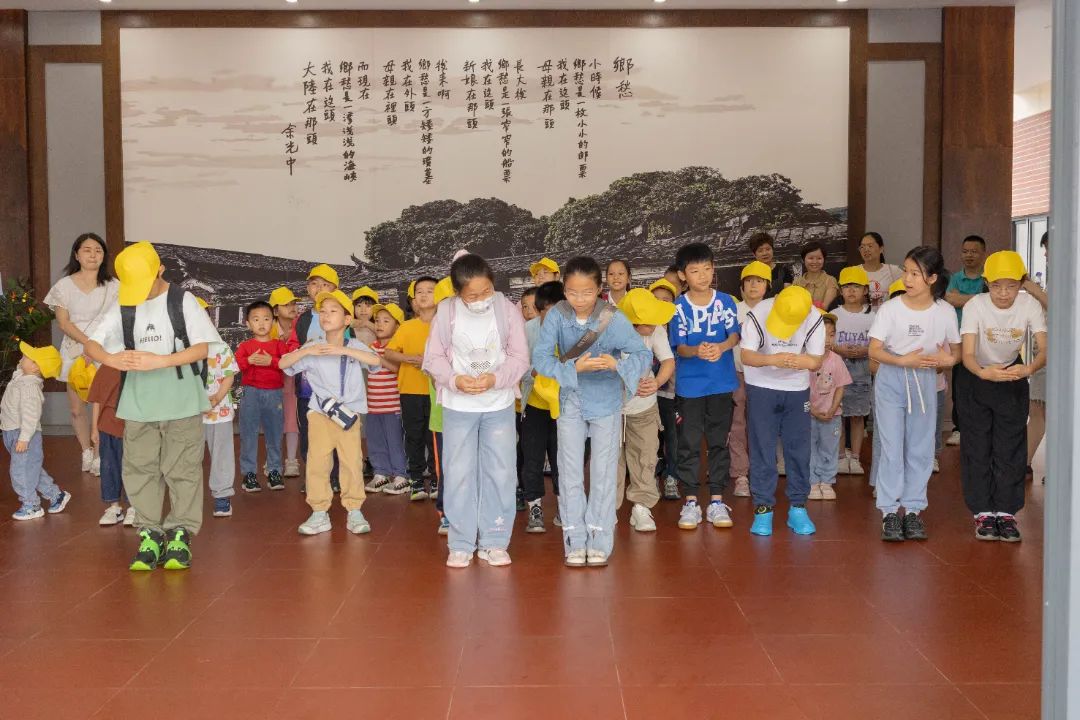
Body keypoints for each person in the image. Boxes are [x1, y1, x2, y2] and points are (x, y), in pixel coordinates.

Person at [85, 241, 220, 571]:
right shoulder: (124, 304)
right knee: (139, 467)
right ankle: (150, 533)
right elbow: (91, 344)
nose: (140, 292)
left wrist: (161, 361)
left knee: (183, 468)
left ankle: (180, 533)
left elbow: (203, 348)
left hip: (180, 398)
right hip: (138, 402)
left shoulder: (182, 301)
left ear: (160, 270)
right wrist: (112, 359)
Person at [533, 256, 650, 567]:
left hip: (606, 401)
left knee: (603, 472)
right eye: (572, 292)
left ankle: (599, 540)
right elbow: (541, 359)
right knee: (569, 471)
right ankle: (574, 540)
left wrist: (617, 364)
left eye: (586, 292)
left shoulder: (612, 317)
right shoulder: (557, 316)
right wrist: (574, 368)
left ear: (599, 289)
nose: (580, 299)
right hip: (571, 400)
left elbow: (642, 353)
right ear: (564, 290)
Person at [423, 254, 529, 568]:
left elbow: (520, 357)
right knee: (458, 473)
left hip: (498, 403)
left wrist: (497, 378)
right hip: (458, 406)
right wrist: (455, 380)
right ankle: (461, 542)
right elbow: (433, 358)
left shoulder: (506, 310)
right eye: (472, 296)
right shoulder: (446, 312)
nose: (481, 300)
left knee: (501, 471)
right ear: (458, 293)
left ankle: (495, 540)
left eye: (486, 291)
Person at [868, 246, 960, 542]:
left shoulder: (944, 311)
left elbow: (956, 353)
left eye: (915, 274)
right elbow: (874, 350)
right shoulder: (891, 309)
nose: (907, 279)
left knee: (921, 447)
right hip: (892, 377)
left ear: (932, 278)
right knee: (891, 446)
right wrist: (902, 360)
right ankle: (889, 512)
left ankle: (913, 510)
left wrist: (946, 360)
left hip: (924, 379)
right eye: (906, 272)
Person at [958, 251, 1047, 542]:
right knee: (978, 445)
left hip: (1012, 375)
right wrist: (983, 373)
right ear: (987, 283)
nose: (1004, 293)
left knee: (1010, 445)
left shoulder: (1029, 304)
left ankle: (1007, 512)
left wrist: (1029, 368)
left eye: (1011, 286)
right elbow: (967, 354)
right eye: (997, 286)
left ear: (1021, 283)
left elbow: (1044, 346)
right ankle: (983, 512)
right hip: (976, 376)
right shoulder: (975, 305)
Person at [280, 289, 381, 536]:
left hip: (348, 414)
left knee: (351, 461)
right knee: (317, 461)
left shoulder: (354, 345)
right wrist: (306, 351)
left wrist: (344, 351)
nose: (326, 315)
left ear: (347, 319)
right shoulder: (314, 346)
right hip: (320, 412)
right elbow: (283, 364)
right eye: (322, 311)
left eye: (333, 311)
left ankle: (354, 510)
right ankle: (319, 512)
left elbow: (375, 362)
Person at [740, 286, 824, 536]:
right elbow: (746, 355)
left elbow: (816, 360)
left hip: (796, 389)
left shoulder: (814, 317)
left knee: (799, 448)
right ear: (776, 299)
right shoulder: (759, 312)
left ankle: (798, 507)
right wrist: (772, 360)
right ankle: (763, 508)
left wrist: (800, 361)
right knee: (762, 447)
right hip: (761, 386)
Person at [669, 242, 741, 530]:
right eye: (695, 270)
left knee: (718, 441)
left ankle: (717, 500)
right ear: (682, 275)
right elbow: (679, 347)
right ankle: (690, 501)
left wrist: (721, 347)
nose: (703, 276)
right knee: (688, 442)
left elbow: (734, 335)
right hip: (690, 387)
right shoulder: (678, 307)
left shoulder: (726, 301)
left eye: (707, 269)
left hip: (721, 383)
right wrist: (697, 350)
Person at [43, 232, 120, 475]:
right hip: (75, 351)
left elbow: (117, 321)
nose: (93, 255)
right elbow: (63, 323)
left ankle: (99, 454)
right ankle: (86, 450)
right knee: (77, 409)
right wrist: (88, 345)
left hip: (105, 352)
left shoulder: (114, 286)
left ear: (104, 255)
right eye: (87, 250)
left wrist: (96, 348)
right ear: (76, 255)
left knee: (102, 407)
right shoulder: (63, 286)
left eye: (98, 250)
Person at [616, 289, 675, 532]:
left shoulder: (657, 329)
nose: (653, 326)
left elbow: (668, 360)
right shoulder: (609, 330)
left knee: (645, 456)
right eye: (647, 323)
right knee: (609, 460)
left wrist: (657, 382)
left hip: (644, 406)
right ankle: (607, 510)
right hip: (610, 408)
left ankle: (641, 507)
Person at [286, 264, 345, 492]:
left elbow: (349, 346)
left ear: (335, 289)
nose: (318, 288)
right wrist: (301, 350)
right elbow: (292, 346)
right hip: (307, 389)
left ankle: (336, 476)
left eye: (325, 284)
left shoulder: (342, 316)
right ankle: (314, 477)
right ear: (308, 289)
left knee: (336, 433)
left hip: (336, 390)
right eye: (314, 284)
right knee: (309, 434)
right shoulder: (302, 319)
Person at [1, 342, 70, 521]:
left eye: (26, 357)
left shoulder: (30, 387)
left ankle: (31, 505)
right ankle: (55, 495)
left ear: (35, 368)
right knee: (30, 467)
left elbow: (31, 415)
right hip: (12, 431)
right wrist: (23, 364)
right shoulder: (22, 377)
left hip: (24, 434)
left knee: (21, 471)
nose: (21, 358)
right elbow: (20, 369)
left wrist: (24, 438)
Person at [385, 276, 438, 500]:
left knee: (434, 438)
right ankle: (416, 480)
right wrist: (408, 358)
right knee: (413, 436)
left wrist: (429, 361)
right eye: (419, 291)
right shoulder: (407, 326)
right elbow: (389, 352)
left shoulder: (445, 326)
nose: (424, 295)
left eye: (430, 290)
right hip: (410, 391)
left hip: (437, 392)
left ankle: (436, 479)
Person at [520, 280, 565, 532]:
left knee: (563, 459)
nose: (552, 315)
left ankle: (563, 506)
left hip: (564, 406)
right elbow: (517, 365)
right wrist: (533, 372)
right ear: (539, 310)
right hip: (535, 404)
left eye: (557, 308)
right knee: (532, 458)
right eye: (546, 309)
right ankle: (534, 507)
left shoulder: (574, 330)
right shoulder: (528, 330)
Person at [235, 300, 289, 503]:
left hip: (274, 394)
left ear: (273, 322)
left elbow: (287, 364)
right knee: (248, 434)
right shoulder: (245, 346)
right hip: (251, 393)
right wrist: (248, 361)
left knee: (275, 434)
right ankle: (249, 474)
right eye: (256, 319)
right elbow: (235, 365)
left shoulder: (279, 345)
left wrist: (271, 361)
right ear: (248, 324)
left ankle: (274, 471)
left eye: (266, 319)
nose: (261, 323)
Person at [729, 260, 771, 498]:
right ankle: (740, 474)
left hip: (765, 374)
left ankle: (761, 471)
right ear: (742, 286)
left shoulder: (774, 310)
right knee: (737, 424)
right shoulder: (734, 310)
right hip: (737, 372)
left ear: (767, 285)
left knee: (762, 424)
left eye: (759, 281)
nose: (753, 285)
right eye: (749, 281)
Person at [197, 298, 240, 517]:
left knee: (221, 453)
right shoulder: (181, 349)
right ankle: (188, 499)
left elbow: (229, 376)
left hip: (219, 412)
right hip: (190, 412)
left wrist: (214, 400)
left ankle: (222, 496)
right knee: (188, 457)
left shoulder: (220, 347)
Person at [943, 235, 988, 446]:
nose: (969, 255)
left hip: (984, 340)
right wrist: (977, 299)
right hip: (960, 339)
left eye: (974, 251)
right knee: (960, 386)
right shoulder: (955, 278)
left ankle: (981, 427)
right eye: (965, 251)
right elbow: (949, 300)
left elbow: (989, 302)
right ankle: (959, 428)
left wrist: (962, 299)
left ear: (983, 253)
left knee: (982, 384)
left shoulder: (988, 278)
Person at [832, 266, 874, 475]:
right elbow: (826, 341)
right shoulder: (834, 315)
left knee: (858, 416)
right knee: (838, 413)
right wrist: (839, 349)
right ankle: (840, 457)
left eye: (856, 286)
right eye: (846, 286)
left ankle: (855, 457)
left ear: (865, 290)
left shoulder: (873, 316)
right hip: (838, 368)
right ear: (840, 290)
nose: (851, 290)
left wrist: (865, 350)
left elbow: (879, 344)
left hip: (862, 370)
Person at [364, 302, 409, 495]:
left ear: (397, 326)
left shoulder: (396, 348)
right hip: (373, 406)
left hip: (393, 406)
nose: (379, 324)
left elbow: (396, 368)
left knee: (395, 441)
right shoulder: (371, 347)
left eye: (386, 321)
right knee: (375, 440)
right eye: (377, 320)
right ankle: (380, 473)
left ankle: (401, 475)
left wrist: (378, 358)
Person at [808, 312, 851, 500]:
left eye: (831, 334)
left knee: (829, 448)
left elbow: (841, 386)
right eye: (822, 334)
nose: (827, 339)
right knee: (809, 448)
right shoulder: (806, 359)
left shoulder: (836, 359)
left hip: (832, 415)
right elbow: (800, 388)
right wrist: (812, 410)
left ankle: (827, 481)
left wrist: (833, 408)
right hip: (809, 414)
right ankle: (812, 481)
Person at [88, 363, 133, 526]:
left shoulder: (137, 366)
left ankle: (135, 506)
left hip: (132, 426)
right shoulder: (105, 368)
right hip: (107, 425)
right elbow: (97, 401)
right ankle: (114, 507)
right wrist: (95, 428)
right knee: (108, 467)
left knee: (132, 467)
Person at [648, 278, 680, 497]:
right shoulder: (642, 326)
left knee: (672, 435)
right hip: (648, 393)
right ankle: (651, 475)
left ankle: (671, 476)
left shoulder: (677, 327)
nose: (661, 303)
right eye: (656, 299)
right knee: (650, 438)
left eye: (666, 300)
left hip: (672, 393)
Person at [269, 286, 302, 477]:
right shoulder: (268, 328)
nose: (292, 307)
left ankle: (291, 460)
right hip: (272, 382)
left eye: (293, 303)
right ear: (275, 311)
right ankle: (272, 461)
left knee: (291, 420)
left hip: (294, 382)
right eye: (286, 304)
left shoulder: (301, 325)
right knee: (272, 421)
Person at [1026, 232, 1049, 472]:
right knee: (1038, 409)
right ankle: (1024, 462)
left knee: (1042, 410)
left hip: (1056, 355)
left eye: (1049, 248)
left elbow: (1060, 308)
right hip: (1044, 354)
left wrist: (1033, 289)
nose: (1046, 254)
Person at [857, 232, 903, 308]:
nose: (866, 249)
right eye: (862, 247)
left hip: (886, 314)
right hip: (861, 314)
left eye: (870, 246)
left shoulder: (893, 271)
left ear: (881, 249)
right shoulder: (854, 271)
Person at [793, 240, 839, 309]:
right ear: (803, 259)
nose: (815, 262)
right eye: (811, 258)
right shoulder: (797, 282)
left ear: (824, 260)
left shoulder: (830, 281)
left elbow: (825, 307)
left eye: (819, 258)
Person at [747, 232, 794, 298]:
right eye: (760, 251)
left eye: (768, 249)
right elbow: (748, 297)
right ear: (754, 254)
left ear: (772, 250)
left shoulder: (783, 271)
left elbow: (788, 294)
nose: (765, 253)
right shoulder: (749, 273)